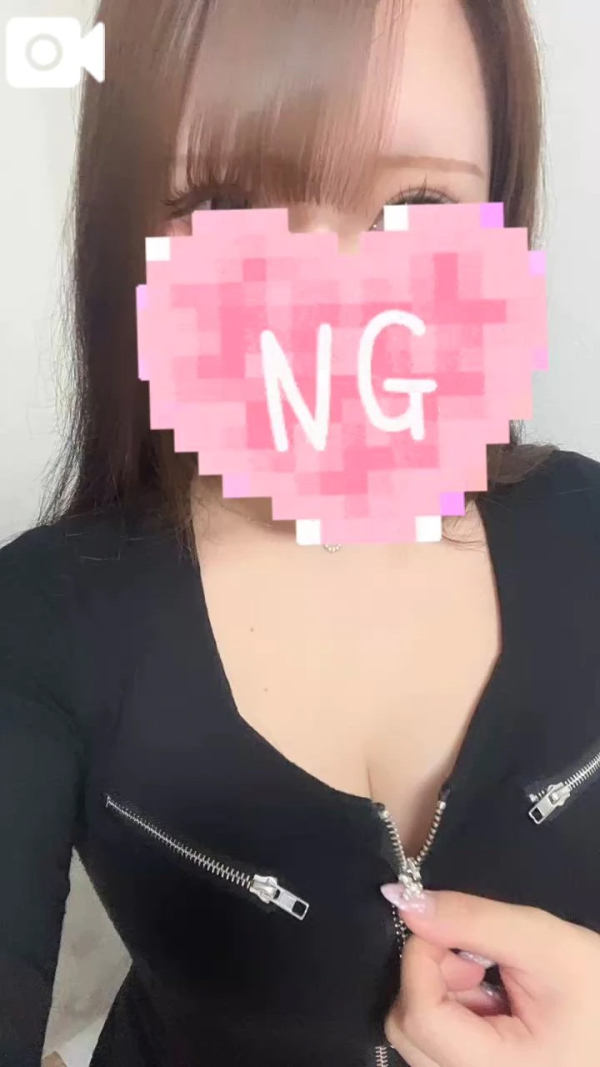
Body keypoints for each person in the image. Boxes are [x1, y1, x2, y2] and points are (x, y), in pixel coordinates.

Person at [2, 0, 600, 1065]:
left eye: (417, 203)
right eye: (226, 204)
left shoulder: (587, 525)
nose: (334, 308)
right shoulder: (42, 617)